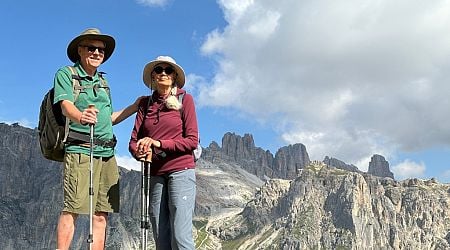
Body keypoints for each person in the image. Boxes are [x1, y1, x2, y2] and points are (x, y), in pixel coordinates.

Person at [54, 28, 142, 250]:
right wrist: (81, 116)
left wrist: (133, 107)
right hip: (81, 150)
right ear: (80, 50)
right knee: (72, 207)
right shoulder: (67, 74)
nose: (96, 52)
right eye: (91, 48)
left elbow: (108, 119)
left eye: (100, 49)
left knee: (101, 213)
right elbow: (65, 106)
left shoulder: (104, 83)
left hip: (106, 153)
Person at [129, 56, 199, 249]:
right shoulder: (145, 104)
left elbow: (192, 141)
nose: (163, 73)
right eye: (158, 70)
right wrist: (140, 152)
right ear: (153, 75)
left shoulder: (186, 99)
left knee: (180, 235)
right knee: (160, 235)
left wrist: (158, 143)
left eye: (168, 70)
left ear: (174, 76)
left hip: (181, 169)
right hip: (155, 173)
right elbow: (134, 141)